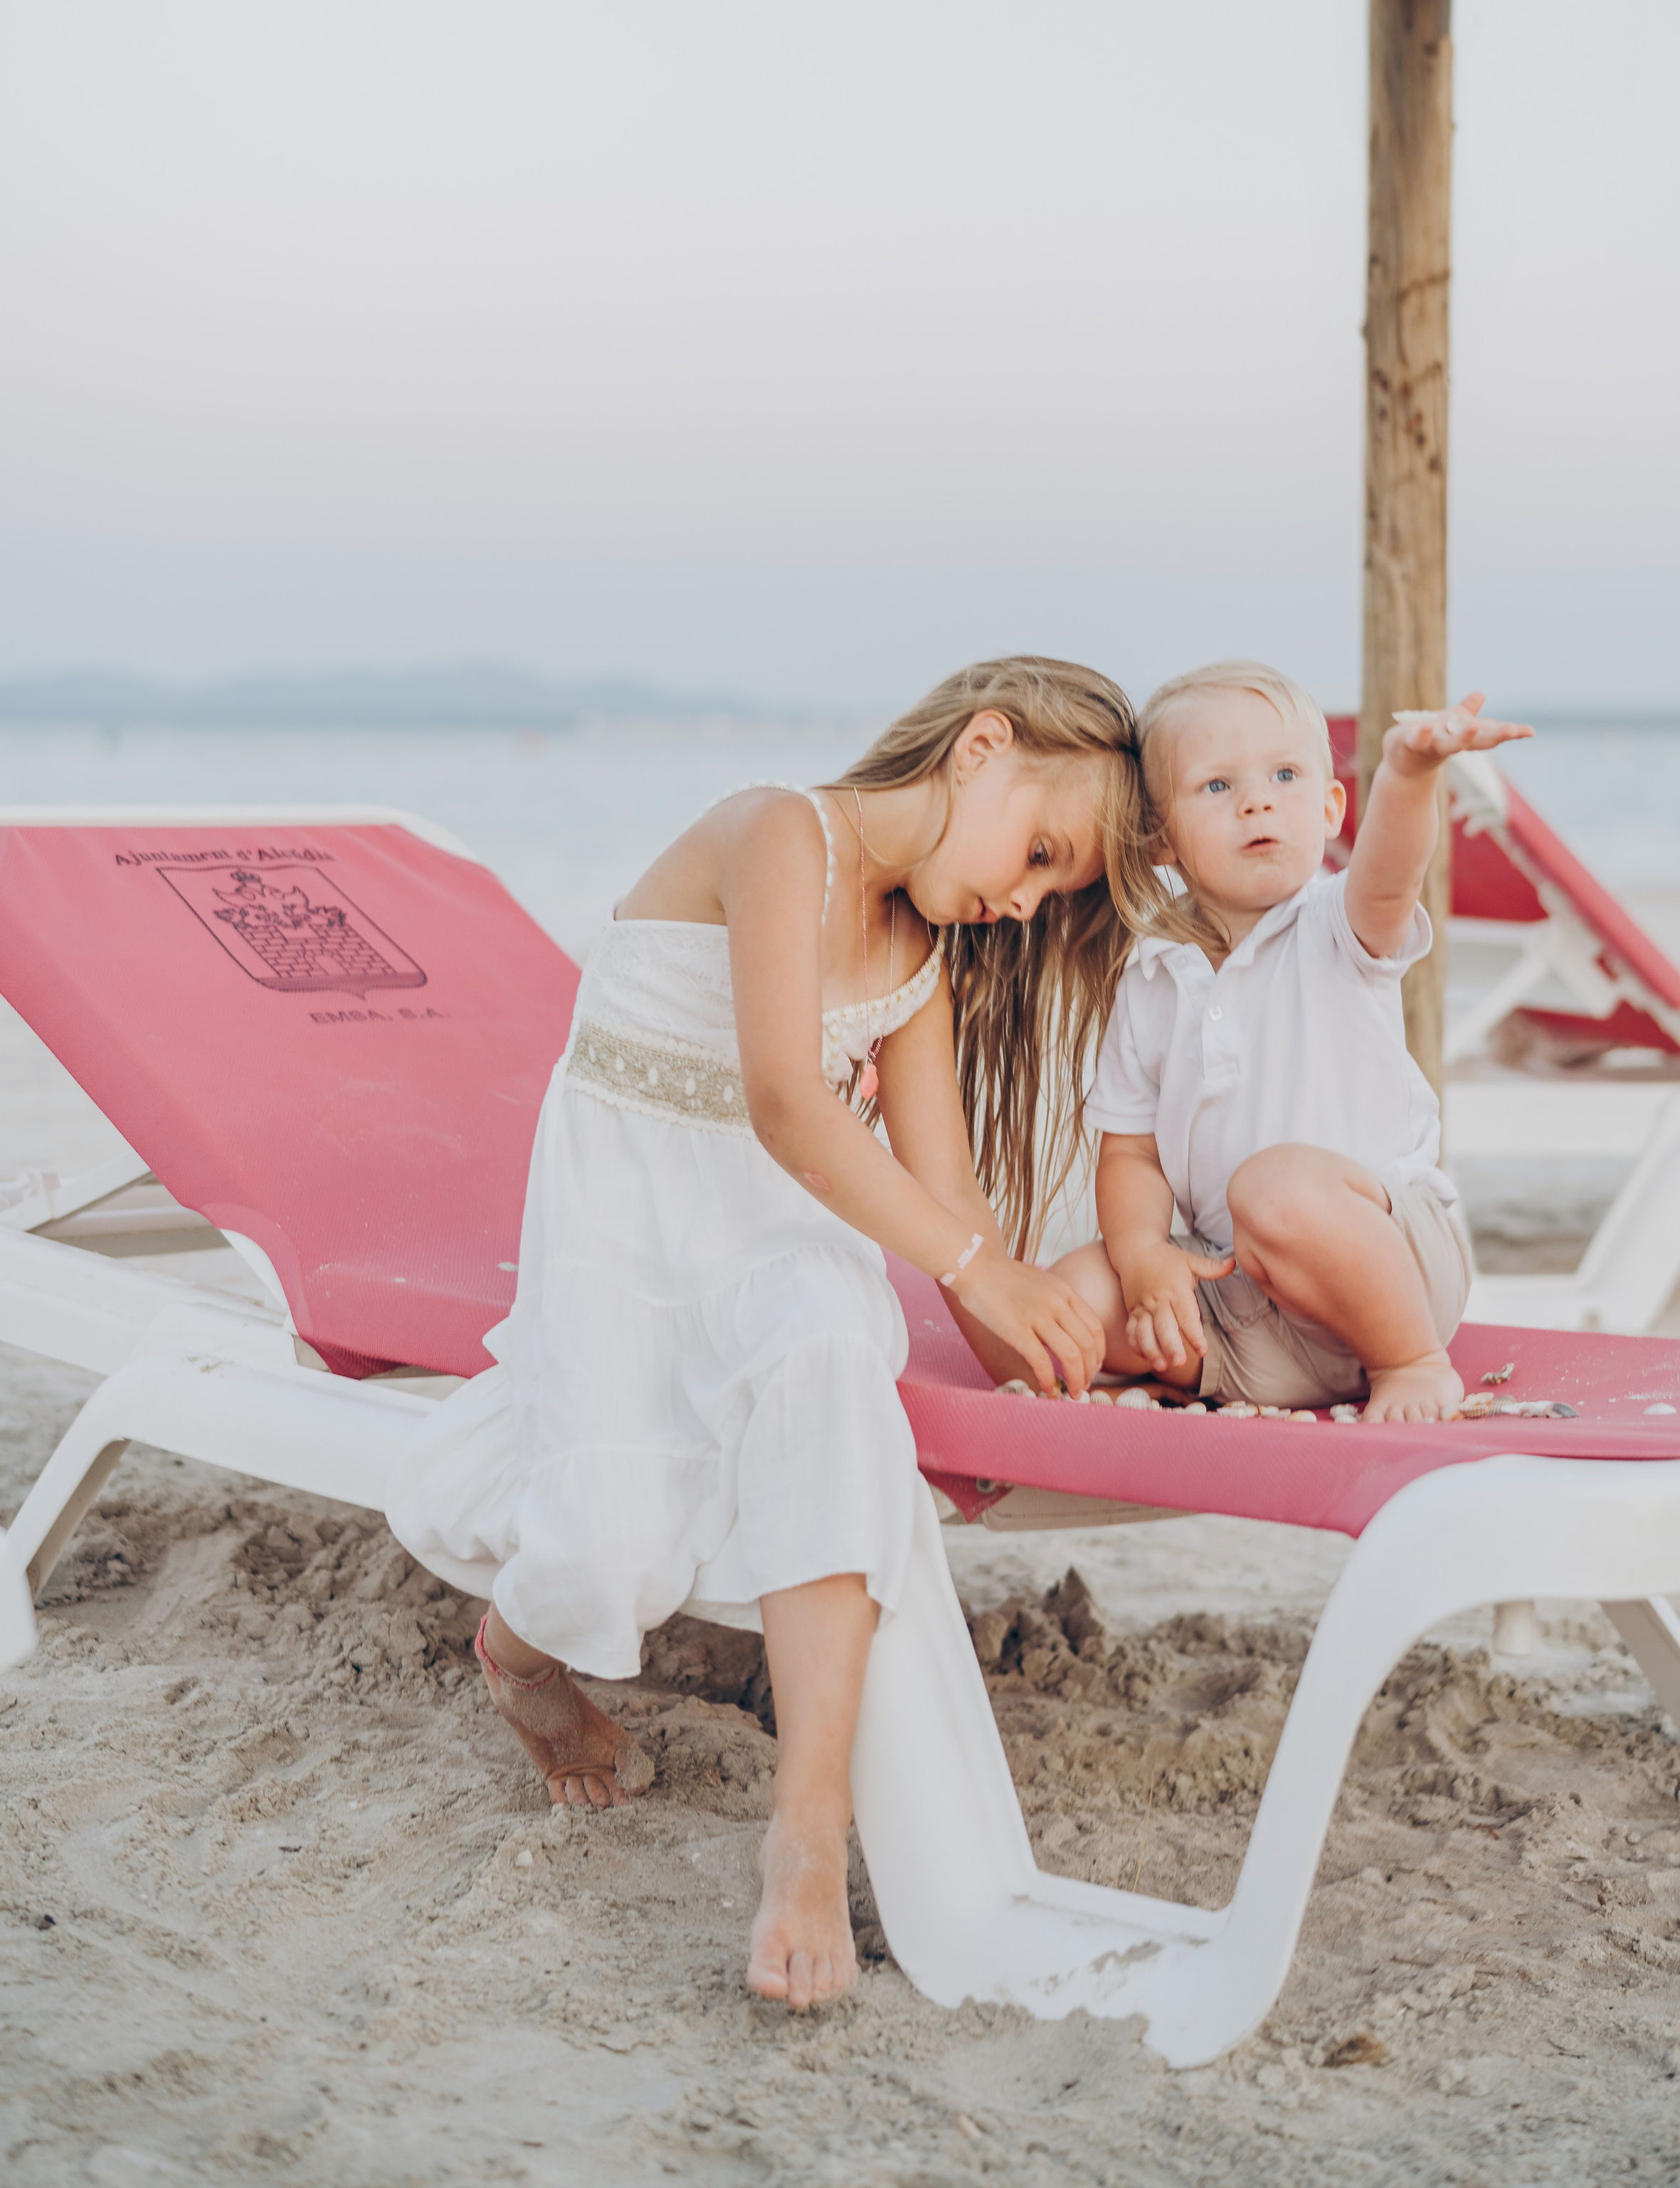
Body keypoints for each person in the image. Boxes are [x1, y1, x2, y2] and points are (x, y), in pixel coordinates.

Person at [387, 658, 1166, 2011]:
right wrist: (976, 1271)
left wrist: (1045, 1346)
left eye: (1053, 894)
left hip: (774, 1241)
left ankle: (806, 1831)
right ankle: (515, 1656)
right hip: (626, 1225)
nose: (1026, 901)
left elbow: (952, 1206)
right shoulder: (779, 831)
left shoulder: (921, 961)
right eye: (1042, 854)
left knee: (831, 1364)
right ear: (983, 746)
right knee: (605, 1553)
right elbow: (788, 1102)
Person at [1052, 662, 1531, 1427]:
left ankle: (1411, 1366)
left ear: (1332, 808)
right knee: (1069, 1299)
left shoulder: (1336, 925)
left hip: (1391, 1273)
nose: (1257, 801)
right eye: (1217, 786)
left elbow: (1391, 876)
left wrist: (1408, 775)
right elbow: (1131, 1154)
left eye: (1284, 775)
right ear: (1159, 839)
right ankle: (1209, 1374)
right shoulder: (1150, 977)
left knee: (1271, 1189)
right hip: (1243, 1298)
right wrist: (1144, 1258)